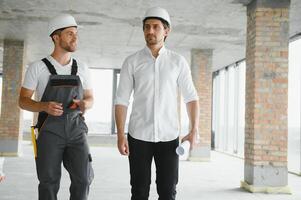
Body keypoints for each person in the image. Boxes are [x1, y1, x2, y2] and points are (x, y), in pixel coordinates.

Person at [115, 7, 199, 200]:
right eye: (146, 27)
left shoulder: (178, 62)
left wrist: (194, 129)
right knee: (138, 191)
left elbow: (191, 97)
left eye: (155, 27)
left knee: (168, 192)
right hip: (138, 136)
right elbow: (121, 100)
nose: (150, 31)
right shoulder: (132, 61)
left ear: (166, 31)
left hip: (169, 137)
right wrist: (120, 134)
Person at [19, 14, 94, 200]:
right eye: (70, 34)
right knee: (48, 181)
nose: (75, 38)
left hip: (77, 130)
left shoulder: (82, 67)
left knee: (84, 178)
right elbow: (23, 100)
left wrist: (85, 104)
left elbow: (90, 98)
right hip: (49, 131)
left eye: (76, 34)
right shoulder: (38, 67)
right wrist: (44, 106)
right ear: (56, 37)